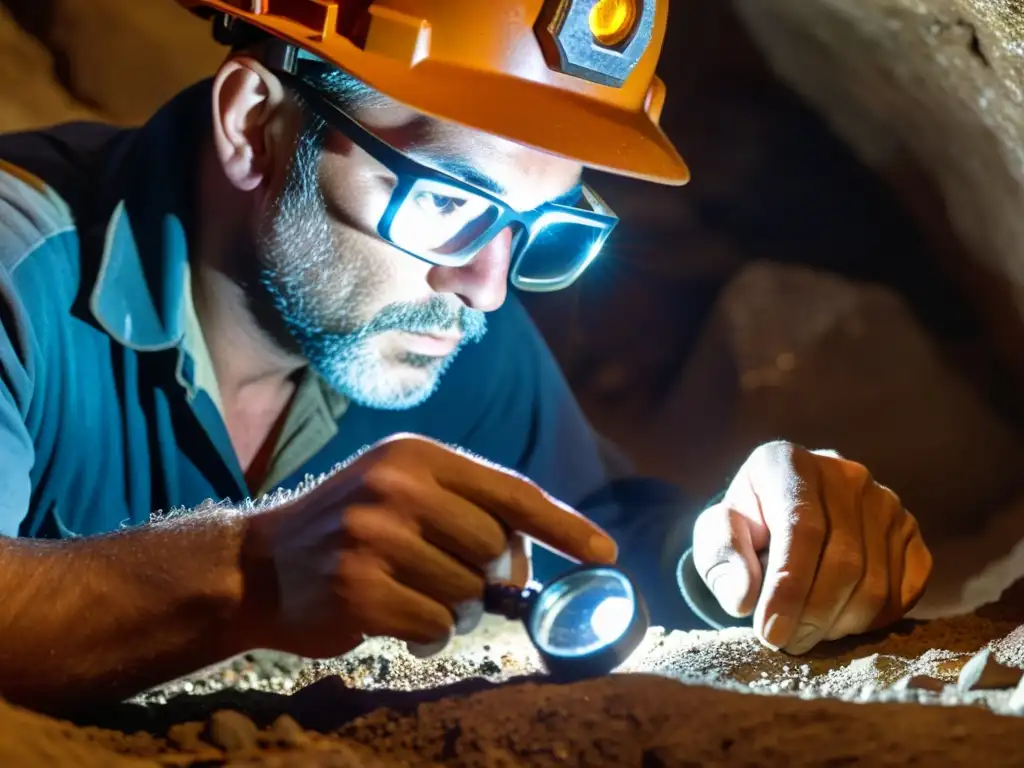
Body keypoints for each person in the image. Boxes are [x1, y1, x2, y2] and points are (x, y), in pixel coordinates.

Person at [0, 0, 932, 713]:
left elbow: (596, 543)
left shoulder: (446, 341)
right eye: (448, 203)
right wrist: (258, 572)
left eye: (539, 227)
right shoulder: (22, 265)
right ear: (254, 125)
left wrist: (737, 551)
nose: (486, 289)